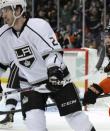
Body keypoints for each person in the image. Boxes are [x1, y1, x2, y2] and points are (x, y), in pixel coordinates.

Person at [0, 0, 95, 131]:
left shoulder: (38, 26)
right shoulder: (3, 35)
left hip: (57, 79)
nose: (3, 14)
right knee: (34, 124)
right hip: (30, 84)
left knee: (77, 120)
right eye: (2, 11)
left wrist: (54, 71)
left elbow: (52, 53)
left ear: (18, 9)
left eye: (6, 10)